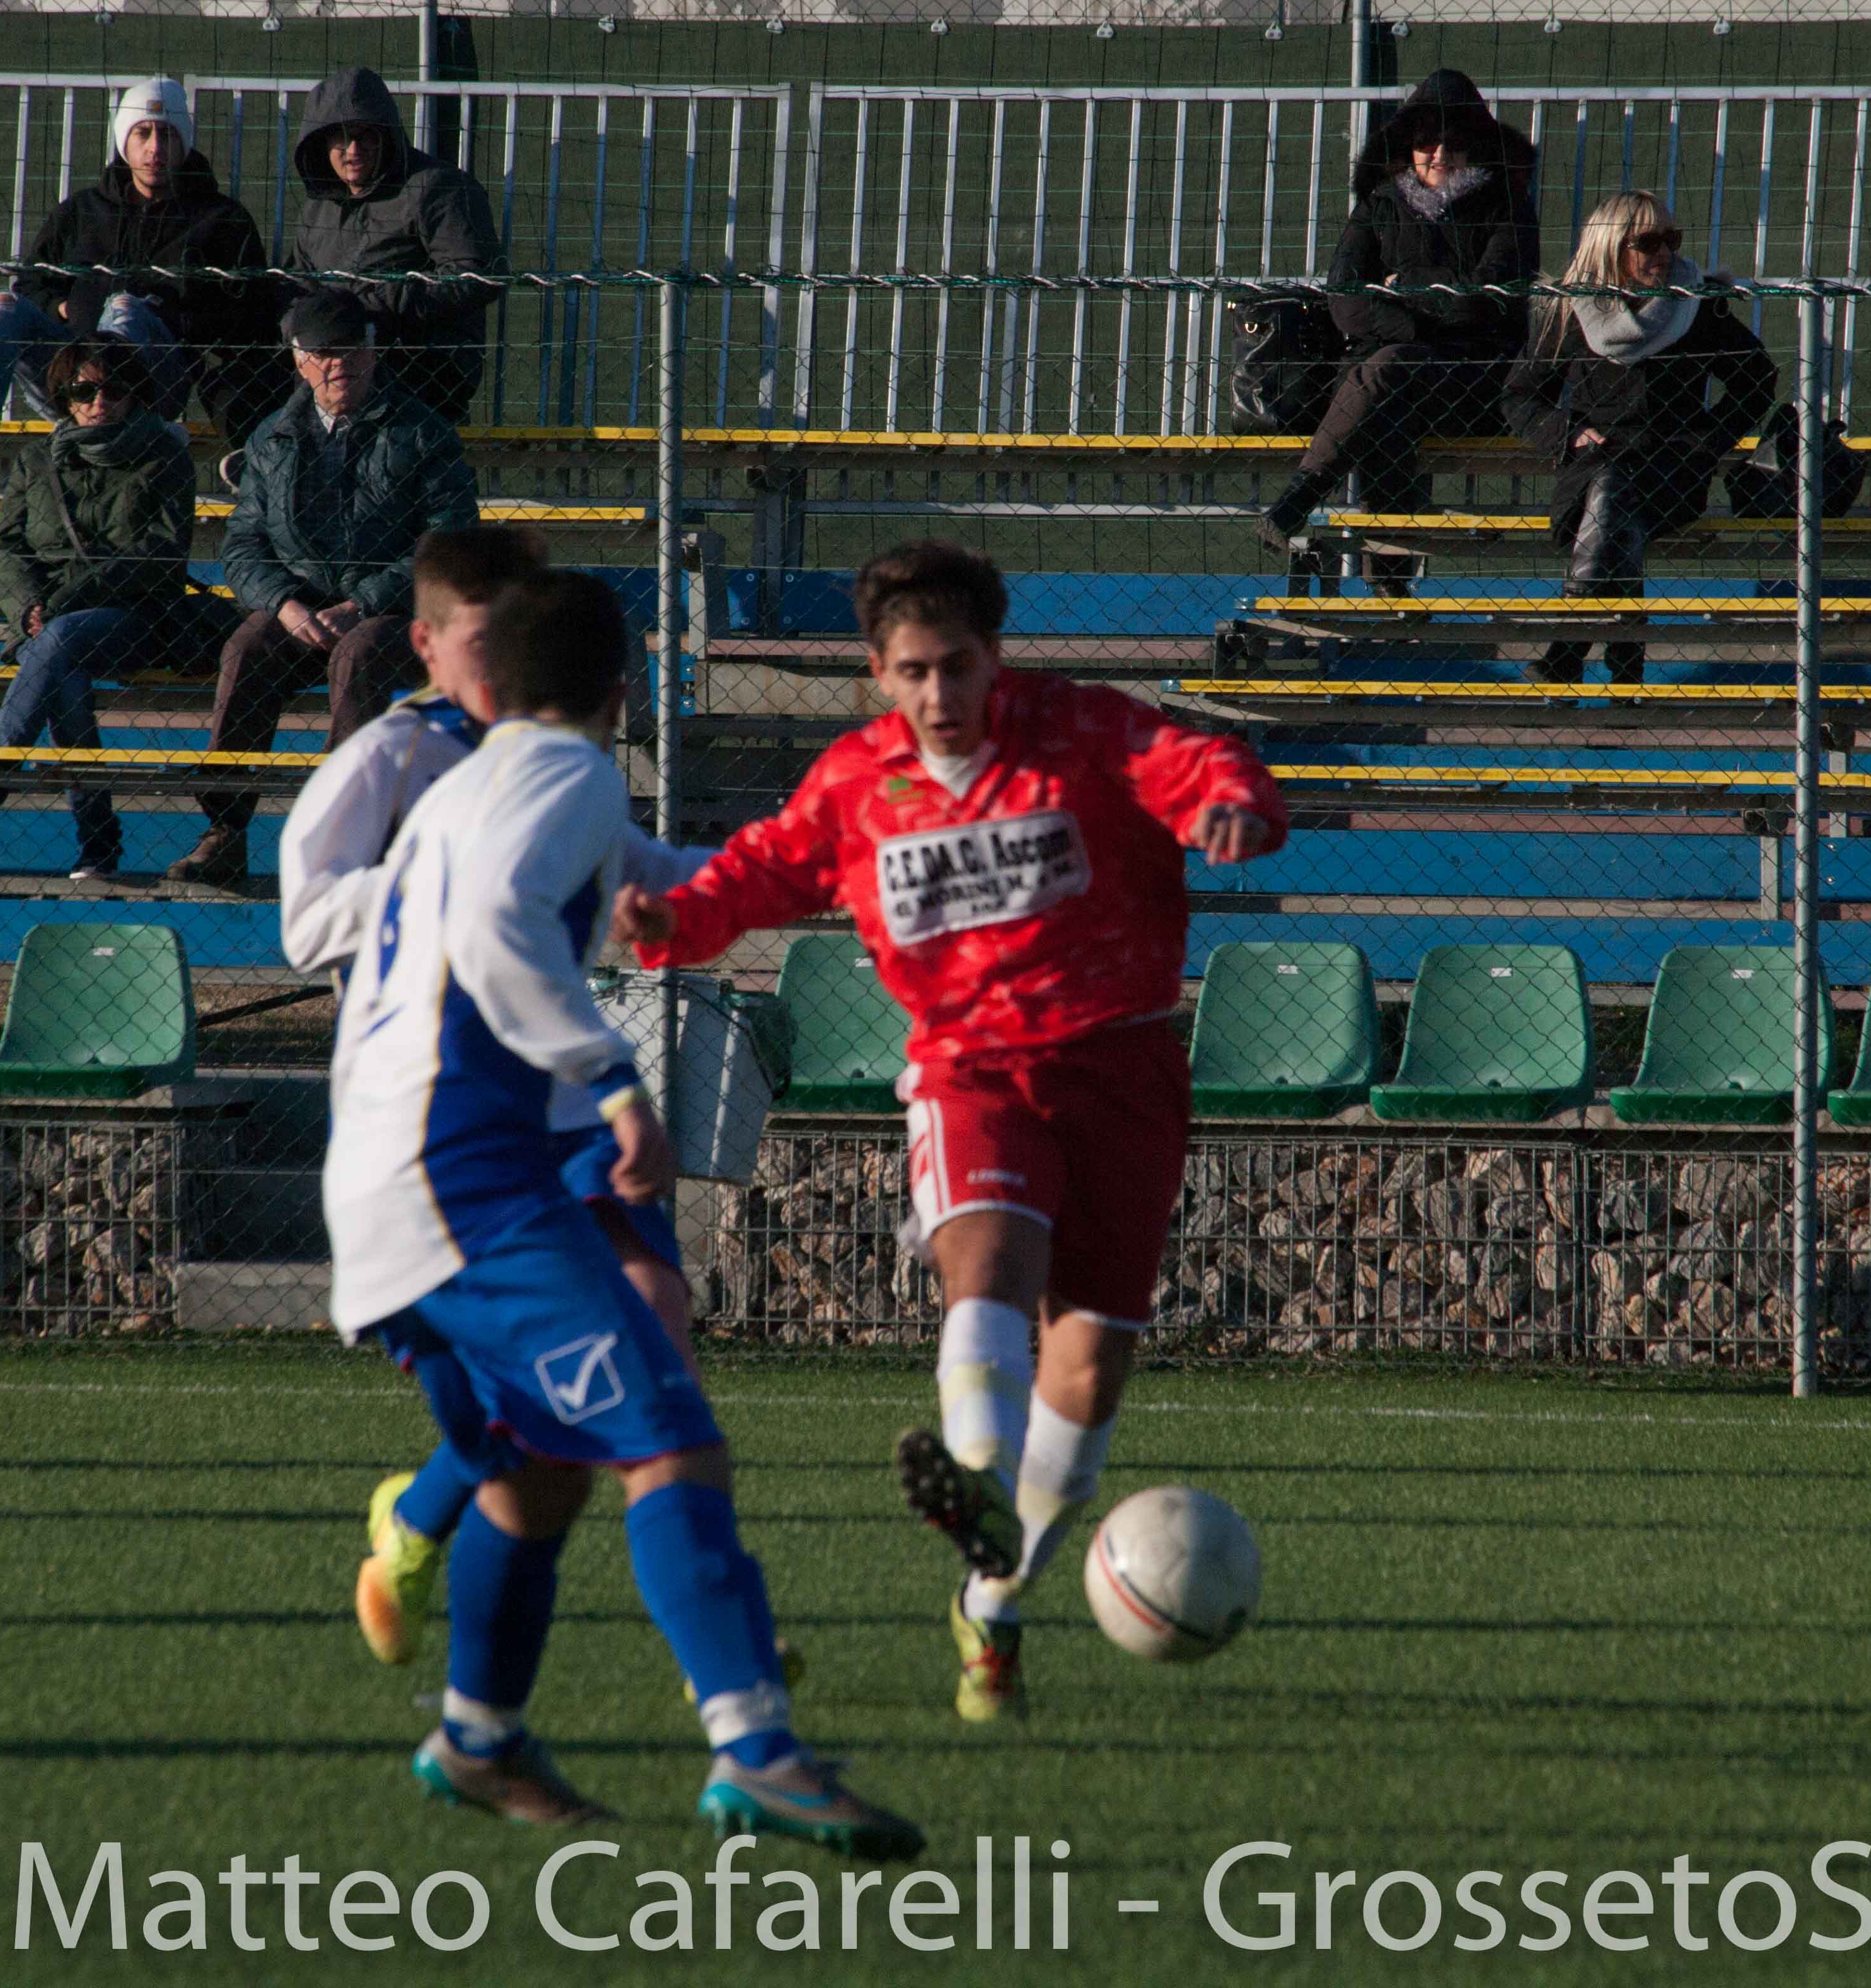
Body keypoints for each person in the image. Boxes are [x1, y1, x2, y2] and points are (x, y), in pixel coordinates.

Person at [615, 541, 1288, 1725]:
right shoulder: (856, 784)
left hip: (1124, 1070)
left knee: (1090, 1364)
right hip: (970, 1069)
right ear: (878, 673)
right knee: (988, 1265)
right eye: (915, 672)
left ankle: (995, 1596)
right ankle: (975, 1478)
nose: (940, 694)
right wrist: (677, 917)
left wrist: (1229, 805)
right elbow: (766, 867)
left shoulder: (1081, 730)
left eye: (959, 667)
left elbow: (1196, 761)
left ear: (995, 658)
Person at [325, 565, 920, 1854]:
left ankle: (478, 1738)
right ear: (625, 685)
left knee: (541, 1467)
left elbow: (655, 880)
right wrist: (612, 1081)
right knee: (668, 1431)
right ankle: (756, 1748)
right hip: (460, 1176)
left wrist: (846, 870)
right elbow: (500, 928)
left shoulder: (479, 781)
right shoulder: (571, 773)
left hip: (399, 1175)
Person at [277, 531, 726, 1669]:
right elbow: (306, 919)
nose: (503, 666)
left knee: (655, 1326)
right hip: (449, 1107)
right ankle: (434, 1524)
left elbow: (641, 867)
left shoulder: (549, 757)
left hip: (563, 1098)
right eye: (482, 645)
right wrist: (437, 886)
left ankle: (712, 1618)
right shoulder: (395, 755)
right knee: (545, 1405)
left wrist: (794, 872)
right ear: (428, 646)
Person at [166, 290, 480, 889]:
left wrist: (363, 603)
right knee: (246, 648)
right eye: (323, 353)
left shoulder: (423, 433)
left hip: (396, 613)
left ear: (373, 352)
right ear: (298, 360)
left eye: (352, 350)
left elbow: (449, 543)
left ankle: (347, 831)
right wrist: (284, 606)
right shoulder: (272, 439)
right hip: (301, 612)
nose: (339, 364)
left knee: (358, 653)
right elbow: (242, 547)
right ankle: (225, 829)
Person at [0, 78, 284, 502]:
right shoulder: (82, 211)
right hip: (74, 381)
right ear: (124, 140)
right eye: (143, 133)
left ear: (185, 143)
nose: (155, 148)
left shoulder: (220, 219)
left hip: (156, 381)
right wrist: (61, 308)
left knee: (124, 308)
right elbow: (33, 282)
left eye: (167, 135)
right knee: (4, 307)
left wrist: (166, 314)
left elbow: (248, 313)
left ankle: (128, 438)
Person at [0, 338, 207, 878]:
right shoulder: (38, 461)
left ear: (135, 394)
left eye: (114, 389)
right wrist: (28, 607)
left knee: (59, 643)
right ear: (64, 396)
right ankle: (99, 843)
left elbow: (161, 554)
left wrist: (65, 602)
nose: (98, 402)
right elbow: (6, 548)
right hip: (47, 621)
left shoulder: (165, 456)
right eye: (84, 391)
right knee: (65, 674)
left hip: (136, 615)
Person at [1256, 69, 1539, 572]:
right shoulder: (1381, 204)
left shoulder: (1507, 207)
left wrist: (1403, 284)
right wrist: (1423, 320)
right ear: (1409, 145)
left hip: (1472, 377)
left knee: (1384, 377)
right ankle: (1389, 582)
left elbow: (1482, 300)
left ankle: (1302, 499)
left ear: (1474, 145)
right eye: (1427, 140)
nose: (1440, 154)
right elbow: (1345, 298)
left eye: (1455, 142)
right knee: (1387, 385)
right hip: (1393, 372)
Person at [1503, 190, 1776, 686]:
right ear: (1611, 247)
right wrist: (1568, 433)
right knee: (1613, 499)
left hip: (1672, 467)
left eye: (1671, 239)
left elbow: (1757, 380)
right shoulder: (1571, 310)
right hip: (1594, 463)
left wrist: (1704, 442)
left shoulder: (1697, 305)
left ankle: (1569, 648)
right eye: (1648, 243)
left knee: (1613, 495)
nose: (1664, 253)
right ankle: (1625, 667)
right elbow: (1520, 396)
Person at [287, 67, 504, 425]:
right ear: (322, 143)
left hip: (419, 362)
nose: (353, 150)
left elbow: (479, 274)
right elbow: (297, 284)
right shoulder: (318, 207)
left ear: (387, 136)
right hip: (330, 356)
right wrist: (300, 326)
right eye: (342, 138)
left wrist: (385, 303)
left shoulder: (436, 188)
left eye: (366, 137)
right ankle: (281, 449)